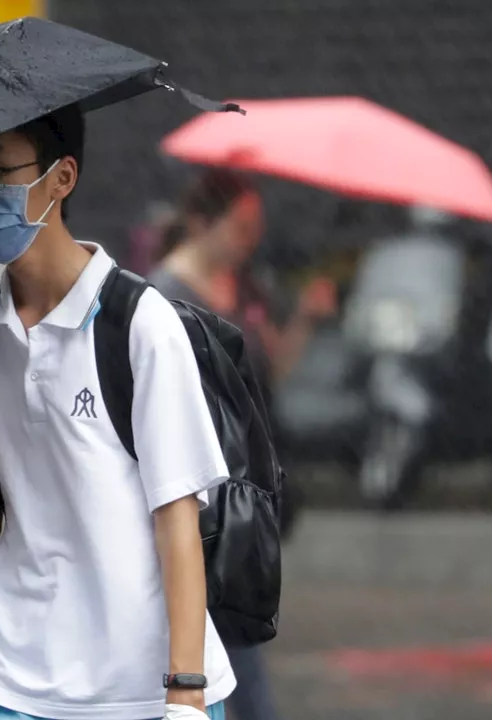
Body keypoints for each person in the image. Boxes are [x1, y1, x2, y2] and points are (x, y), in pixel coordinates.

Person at [0, 104, 234, 720]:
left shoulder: (138, 322)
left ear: (61, 178)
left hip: (136, 688)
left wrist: (185, 691)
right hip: (1, 673)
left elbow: (178, 517)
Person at [148, 169, 337, 720]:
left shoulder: (247, 287)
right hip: (200, 491)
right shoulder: (163, 296)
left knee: (237, 632)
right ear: (202, 222)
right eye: (242, 225)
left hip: (247, 494)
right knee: (229, 638)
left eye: (257, 227)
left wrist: (303, 317)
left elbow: (269, 372)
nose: (251, 237)